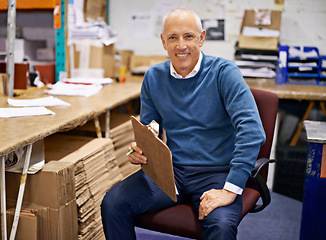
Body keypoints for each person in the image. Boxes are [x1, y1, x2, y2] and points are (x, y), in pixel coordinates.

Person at [101, 7, 266, 240]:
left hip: (216, 173)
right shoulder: (154, 77)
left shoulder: (224, 73)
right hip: (171, 172)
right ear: (163, 42)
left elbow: (252, 133)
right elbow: (150, 130)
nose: (181, 45)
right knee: (113, 203)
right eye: (172, 38)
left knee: (221, 227)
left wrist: (230, 190)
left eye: (188, 36)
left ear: (201, 38)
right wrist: (138, 150)